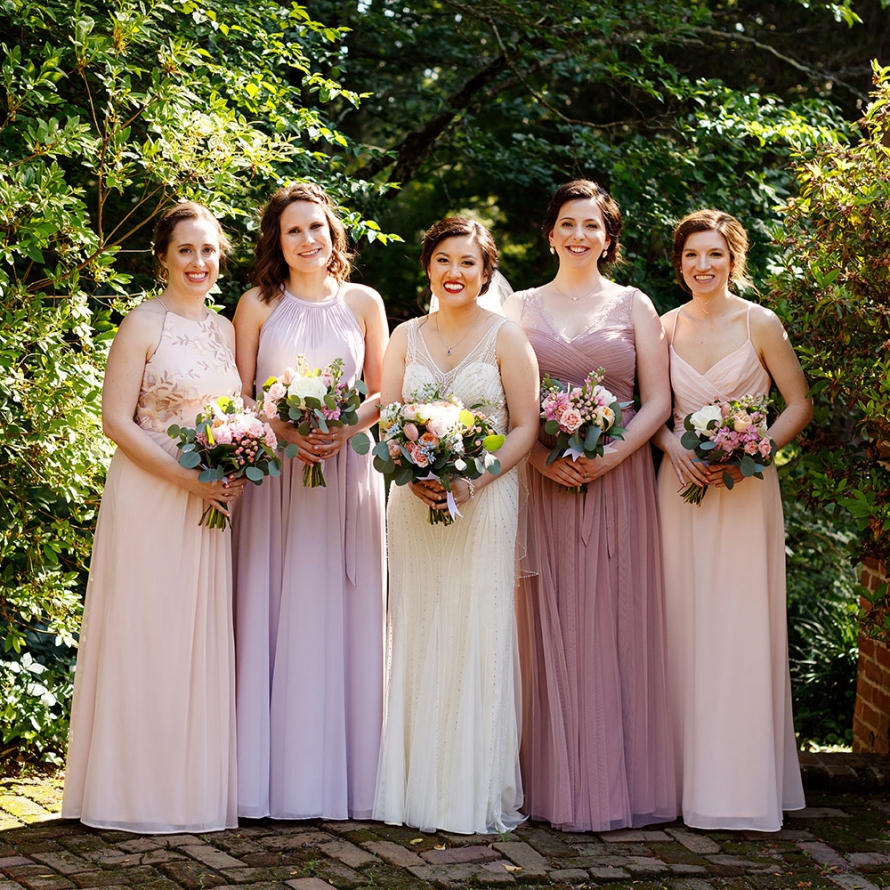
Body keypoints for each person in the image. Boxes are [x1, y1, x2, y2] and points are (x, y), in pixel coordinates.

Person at [62, 202, 245, 833]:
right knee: (146, 630)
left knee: (193, 637)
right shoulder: (142, 324)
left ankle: (185, 790)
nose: (199, 262)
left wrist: (237, 460)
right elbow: (116, 421)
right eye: (186, 250)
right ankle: (128, 794)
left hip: (208, 498)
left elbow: (232, 414)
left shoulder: (225, 329)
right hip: (151, 492)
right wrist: (185, 478)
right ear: (163, 257)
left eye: (208, 250)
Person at [505, 180, 677, 832]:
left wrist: (612, 456)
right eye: (568, 224)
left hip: (618, 482)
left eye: (592, 225)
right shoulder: (518, 308)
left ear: (608, 238)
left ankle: (614, 785)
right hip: (545, 481)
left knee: (616, 620)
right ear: (550, 233)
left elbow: (657, 400)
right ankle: (550, 784)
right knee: (547, 624)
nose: (579, 235)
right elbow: (505, 403)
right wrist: (541, 459)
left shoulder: (635, 305)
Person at [372, 218, 539, 834]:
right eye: (444, 260)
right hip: (414, 502)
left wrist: (473, 481)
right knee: (419, 625)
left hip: (484, 499)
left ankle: (470, 792)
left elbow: (524, 427)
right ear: (428, 266)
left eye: (468, 262)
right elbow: (389, 418)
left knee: (476, 627)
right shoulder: (404, 336)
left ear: (486, 272)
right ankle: (414, 789)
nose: (454, 272)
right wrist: (412, 471)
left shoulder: (507, 337)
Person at [232, 183, 388, 820]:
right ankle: (269, 781)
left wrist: (344, 429)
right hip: (277, 473)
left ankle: (350, 780)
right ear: (277, 239)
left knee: (341, 608)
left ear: (333, 232)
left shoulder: (364, 302)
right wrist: (286, 429)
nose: (307, 240)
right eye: (293, 230)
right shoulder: (256, 304)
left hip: (347, 470)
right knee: (276, 604)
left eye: (316, 227)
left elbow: (383, 390)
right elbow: (240, 394)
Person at [654, 209, 811, 831]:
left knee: (740, 625)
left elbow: (797, 403)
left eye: (714, 254)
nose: (703, 266)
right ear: (679, 263)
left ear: (733, 259)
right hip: (682, 487)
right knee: (681, 620)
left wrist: (754, 451)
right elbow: (654, 413)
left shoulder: (760, 323)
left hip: (745, 491)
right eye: (692, 255)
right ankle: (679, 783)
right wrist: (672, 447)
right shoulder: (663, 328)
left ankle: (740, 790)